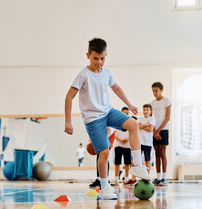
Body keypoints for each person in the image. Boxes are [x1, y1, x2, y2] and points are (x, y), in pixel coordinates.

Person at [65, 38, 152, 200]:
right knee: (104, 152)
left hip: (108, 112)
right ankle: (104, 187)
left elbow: (116, 88)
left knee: (133, 124)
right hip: (93, 119)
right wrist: (68, 121)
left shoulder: (107, 73)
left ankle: (137, 166)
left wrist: (130, 104)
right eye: (95, 58)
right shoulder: (83, 75)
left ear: (106, 56)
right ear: (88, 56)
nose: (99, 62)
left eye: (102, 58)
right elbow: (69, 97)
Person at [150, 82, 171, 186]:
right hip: (154, 130)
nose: (154, 93)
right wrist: (154, 131)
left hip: (164, 129)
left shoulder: (167, 101)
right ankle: (158, 177)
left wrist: (158, 131)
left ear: (161, 90)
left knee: (163, 152)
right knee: (157, 153)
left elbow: (167, 118)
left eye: (156, 91)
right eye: (153, 91)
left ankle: (164, 178)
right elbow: (151, 118)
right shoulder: (152, 103)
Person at [112, 108, 135, 186]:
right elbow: (114, 134)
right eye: (124, 113)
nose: (125, 114)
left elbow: (132, 133)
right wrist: (120, 140)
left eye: (127, 113)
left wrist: (127, 139)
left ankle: (126, 178)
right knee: (117, 163)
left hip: (127, 146)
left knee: (127, 163)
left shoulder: (130, 122)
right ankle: (116, 178)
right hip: (118, 145)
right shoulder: (116, 122)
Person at [138, 104, 155, 173]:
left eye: (147, 110)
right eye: (144, 109)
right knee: (138, 159)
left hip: (148, 142)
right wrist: (146, 125)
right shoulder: (140, 118)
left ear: (150, 111)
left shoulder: (152, 119)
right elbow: (137, 127)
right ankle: (137, 176)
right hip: (140, 141)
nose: (145, 111)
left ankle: (147, 175)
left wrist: (141, 125)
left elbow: (150, 129)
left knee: (147, 159)